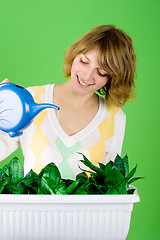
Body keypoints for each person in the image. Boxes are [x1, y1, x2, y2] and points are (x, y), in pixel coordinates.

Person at [0, 25, 136, 179]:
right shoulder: (30, 100)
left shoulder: (115, 118)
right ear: (74, 55)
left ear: (113, 77)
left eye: (101, 72)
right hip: (33, 204)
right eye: (84, 61)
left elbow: (110, 185)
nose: (87, 76)